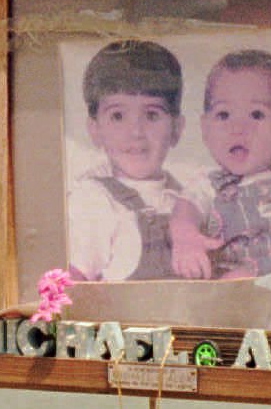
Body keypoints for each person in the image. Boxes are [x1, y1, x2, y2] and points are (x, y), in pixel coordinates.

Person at [169, 50, 271, 279]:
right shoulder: (208, 185)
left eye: (256, 114)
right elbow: (184, 213)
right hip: (234, 285)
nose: (238, 128)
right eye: (224, 115)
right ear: (205, 129)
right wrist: (186, 239)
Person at [65, 40, 186, 282]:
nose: (136, 132)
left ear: (177, 128)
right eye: (118, 116)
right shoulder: (94, 200)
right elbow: (74, 283)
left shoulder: (188, 198)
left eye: (152, 114)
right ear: (95, 129)